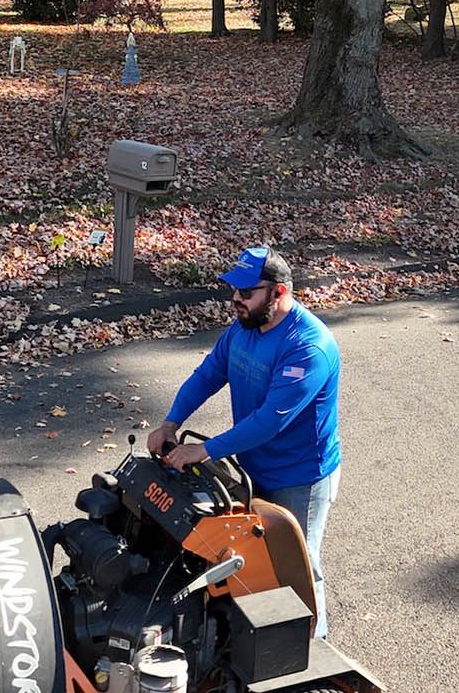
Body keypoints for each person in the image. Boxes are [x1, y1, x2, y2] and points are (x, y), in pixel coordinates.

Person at [148, 245, 342, 636]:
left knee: (300, 567)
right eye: (233, 290)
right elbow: (207, 375)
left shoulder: (308, 346)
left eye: (246, 292)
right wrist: (171, 422)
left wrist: (204, 450)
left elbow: (271, 421)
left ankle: (315, 647)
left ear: (279, 293)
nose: (236, 299)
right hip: (253, 467)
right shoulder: (244, 328)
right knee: (254, 558)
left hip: (299, 477)